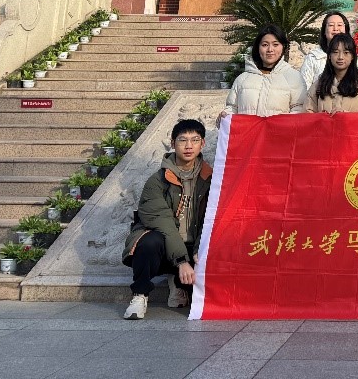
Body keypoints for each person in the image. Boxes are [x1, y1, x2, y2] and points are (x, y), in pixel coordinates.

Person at [121, 119, 212, 320]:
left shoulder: (211, 179)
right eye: (183, 140)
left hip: (195, 248)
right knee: (149, 242)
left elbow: (210, 220)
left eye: (195, 140)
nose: (189, 146)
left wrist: (198, 250)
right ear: (173, 143)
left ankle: (179, 283)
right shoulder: (157, 181)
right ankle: (140, 295)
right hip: (167, 247)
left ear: (203, 143)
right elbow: (164, 224)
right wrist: (181, 261)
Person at [219, 25, 307, 122]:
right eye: (265, 45)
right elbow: (232, 108)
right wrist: (225, 116)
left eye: (275, 44)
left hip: (279, 132)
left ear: (283, 47)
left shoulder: (294, 77)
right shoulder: (243, 79)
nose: (270, 50)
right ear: (258, 47)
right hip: (249, 132)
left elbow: (299, 110)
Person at [307, 32, 358, 113]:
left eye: (346, 52)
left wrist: (346, 117)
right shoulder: (318, 86)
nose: (340, 57)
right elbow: (307, 115)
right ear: (329, 56)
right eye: (335, 52)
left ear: (352, 56)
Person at [299, 10, 350, 91]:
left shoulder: (353, 56)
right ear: (324, 31)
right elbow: (303, 88)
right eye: (331, 25)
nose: (335, 29)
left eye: (339, 25)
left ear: (346, 30)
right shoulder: (313, 57)